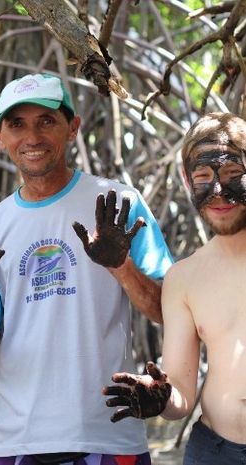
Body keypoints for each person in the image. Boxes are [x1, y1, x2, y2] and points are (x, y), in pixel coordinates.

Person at [0, 73, 174, 465]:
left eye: (46, 120)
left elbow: (167, 310)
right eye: (17, 124)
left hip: (109, 433)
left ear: (72, 127)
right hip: (19, 440)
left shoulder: (117, 204)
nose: (32, 137)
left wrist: (121, 266)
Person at [103, 112, 246, 464]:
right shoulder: (185, 278)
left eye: (233, 176)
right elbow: (181, 394)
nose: (218, 192)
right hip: (215, 452)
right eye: (202, 177)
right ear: (186, 179)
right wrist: (160, 398)